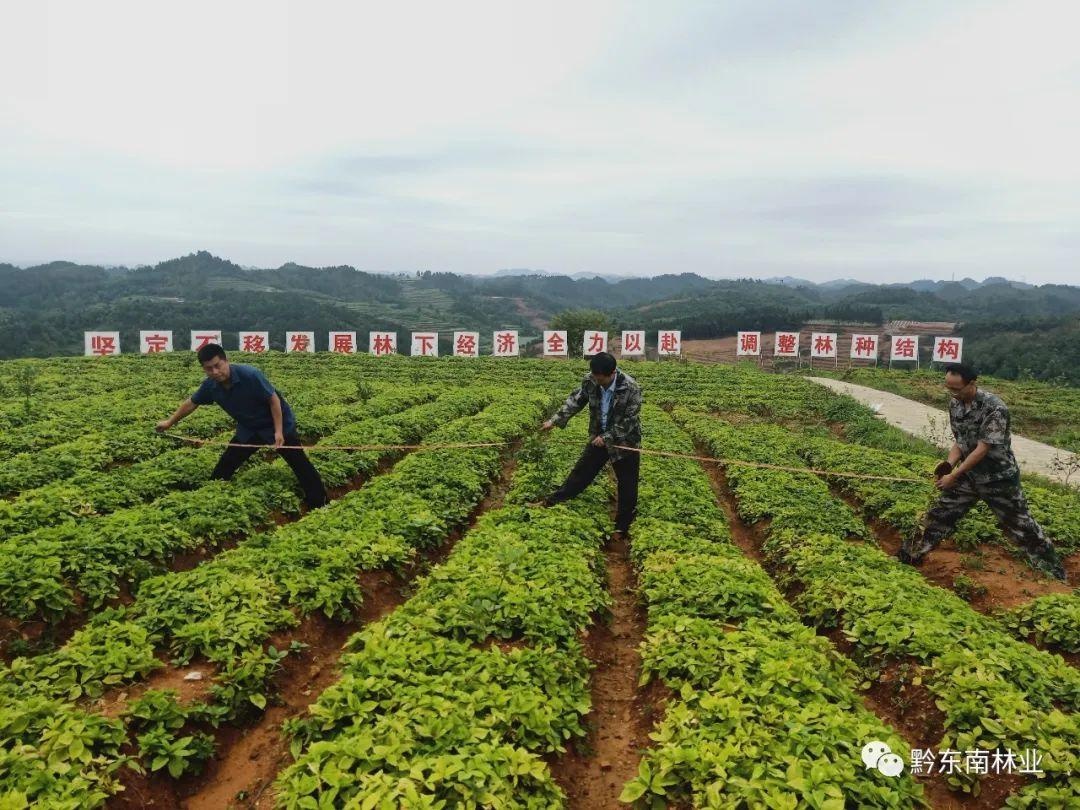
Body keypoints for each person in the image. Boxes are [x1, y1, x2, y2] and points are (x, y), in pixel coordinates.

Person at [898, 363, 1066, 581]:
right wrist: (948, 465)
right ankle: (908, 557)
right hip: (969, 476)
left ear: (972, 383)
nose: (953, 394)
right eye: (949, 389)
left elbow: (982, 449)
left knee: (1022, 527)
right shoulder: (955, 405)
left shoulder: (995, 408)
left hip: (998, 478)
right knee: (940, 514)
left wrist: (954, 476)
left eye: (957, 389)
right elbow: (961, 441)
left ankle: (1055, 575)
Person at [155, 343, 329, 509]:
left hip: (276, 424)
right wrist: (169, 422)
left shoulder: (250, 375)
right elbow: (191, 403)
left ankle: (319, 503)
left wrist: (278, 432)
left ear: (226, 360)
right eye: (209, 369)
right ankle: (211, 496)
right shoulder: (210, 386)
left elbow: (273, 400)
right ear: (203, 368)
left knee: (299, 464)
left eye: (218, 365)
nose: (215, 372)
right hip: (249, 428)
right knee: (227, 462)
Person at [536, 351, 642, 540]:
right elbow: (576, 401)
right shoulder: (590, 381)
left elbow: (630, 420)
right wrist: (554, 420)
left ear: (612, 373)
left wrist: (608, 436)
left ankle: (621, 528)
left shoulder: (631, 387)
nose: (596, 380)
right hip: (598, 437)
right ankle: (553, 501)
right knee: (581, 472)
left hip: (624, 440)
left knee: (627, 484)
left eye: (600, 378)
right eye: (594, 376)